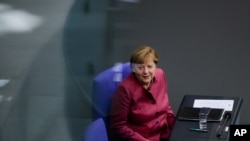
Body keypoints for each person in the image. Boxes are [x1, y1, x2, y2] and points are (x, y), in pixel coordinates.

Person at [108, 45, 175, 141]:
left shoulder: (160, 75)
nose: (146, 72)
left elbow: (167, 109)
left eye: (150, 66)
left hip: (164, 134)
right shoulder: (124, 90)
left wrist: (179, 127)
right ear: (133, 69)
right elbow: (118, 126)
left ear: (155, 66)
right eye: (140, 68)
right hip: (142, 138)